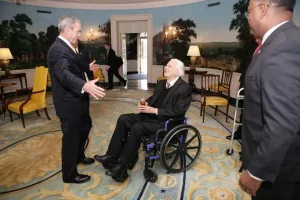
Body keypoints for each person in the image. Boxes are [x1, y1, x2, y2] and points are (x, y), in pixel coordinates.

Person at [239, 0, 300, 199]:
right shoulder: (284, 40)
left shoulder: (282, 47)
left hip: (279, 172)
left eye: (249, 11)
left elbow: (282, 122)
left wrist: (257, 172)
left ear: (262, 9)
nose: (247, 17)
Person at [94, 58, 192, 182]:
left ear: (177, 72)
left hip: (166, 123)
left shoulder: (184, 88)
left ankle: (122, 167)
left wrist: (155, 111)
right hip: (150, 116)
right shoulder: (162, 83)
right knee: (123, 118)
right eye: (166, 65)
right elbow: (153, 98)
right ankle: (112, 156)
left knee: (137, 127)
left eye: (169, 66)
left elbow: (178, 111)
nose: (165, 67)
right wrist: (146, 104)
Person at [47, 15, 106, 184]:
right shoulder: (57, 50)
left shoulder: (66, 47)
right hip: (68, 103)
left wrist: (86, 67)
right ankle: (69, 175)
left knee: (85, 126)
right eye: (78, 31)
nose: (79, 34)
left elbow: (73, 63)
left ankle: (79, 155)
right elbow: (64, 74)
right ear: (68, 29)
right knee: (71, 139)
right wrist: (84, 85)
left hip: (77, 100)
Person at [226, 37, 262, 141]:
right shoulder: (252, 48)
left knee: (254, 116)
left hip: (258, 87)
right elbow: (245, 65)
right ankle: (240, 132)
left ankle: (249, 141)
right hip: (245, 84)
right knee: (244, 110)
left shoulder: (268, 48)